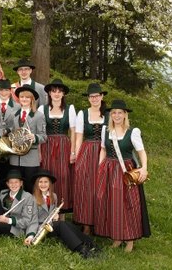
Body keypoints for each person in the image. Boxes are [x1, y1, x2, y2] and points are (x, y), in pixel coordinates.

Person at [95, 100, 150, 252]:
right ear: (110, 115)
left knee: (129, 204)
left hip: (126, 170)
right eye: (114, 113)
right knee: (113, 203)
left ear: (125, 115)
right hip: (109, 169)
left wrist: (144, 168)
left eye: (120, 112)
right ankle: (117, 237)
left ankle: (130, 238)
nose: (117, 115)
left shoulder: (133, 132)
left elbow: (141, 152)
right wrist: (100, 167)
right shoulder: (105, 130)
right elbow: (103, 150)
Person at [25, 169, 100, 258]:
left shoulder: (54, 196)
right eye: (40, 182)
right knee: (60, 225)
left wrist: (55, 216)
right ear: (37, 184)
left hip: (50, 225)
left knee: (67, 224)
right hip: (40, 230)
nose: (43, 184)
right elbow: (32, 221)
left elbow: (51, 214)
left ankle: (91, 244)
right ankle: (81, 250)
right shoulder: (32, 199)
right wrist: (30, 236)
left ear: (50, 184)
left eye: (46, 182)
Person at [73, 83, 108, 234]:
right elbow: (79, 136)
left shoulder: (108, 114)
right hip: (87, 152)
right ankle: (86, 224)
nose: (94, 98)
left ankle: (101, 223)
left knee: (101, 188)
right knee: (86, 188)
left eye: (97, 96)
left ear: (102, 96)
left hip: (104, 151)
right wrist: (76, 155)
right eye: (91, 96)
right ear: (88, 98)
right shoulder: (82, 114)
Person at [39, 79, 76, 214]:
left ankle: (62, 210)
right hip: (47, 145)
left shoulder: (69, 109)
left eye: (59, 91)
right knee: (48, 175)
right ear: (49, 93)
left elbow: (73, 131)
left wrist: (73, 151)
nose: (56, 93)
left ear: (63, 94)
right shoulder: (42, 109)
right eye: (54, 91)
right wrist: (39, 152)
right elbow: (39, 131)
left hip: (63, 145)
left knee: (63, 176)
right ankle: (46, 210)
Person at [0, 169, 38, 248]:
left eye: (16, 182)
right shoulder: (3, 193)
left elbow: (26, 221)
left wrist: (7, 220)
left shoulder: (27, 197)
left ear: (21, 183)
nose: (13, 185)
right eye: (11, 182)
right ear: (7, 184)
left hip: (15, 226)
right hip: (3, 217)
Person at [6, 85, 47, 193]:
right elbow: (9, 130)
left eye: (27, 97)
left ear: (32, 99)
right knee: (15, 186)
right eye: (22, 97)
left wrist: (35, 137)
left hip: (31, 159)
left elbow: (44, 137)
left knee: (30, 186)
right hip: (15, 158)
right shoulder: (13, 114)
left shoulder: (39, 115)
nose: (24, 99)